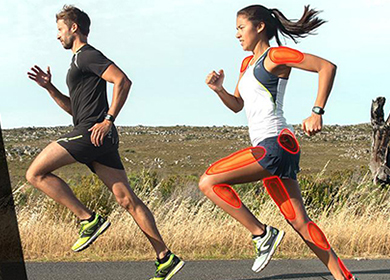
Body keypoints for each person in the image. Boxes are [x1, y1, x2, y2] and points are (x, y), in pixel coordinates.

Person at [26, 5, 184, 280]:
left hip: (93, 132)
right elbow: (74, 110)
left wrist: (108, 118)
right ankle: (165, 257)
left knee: (35, 173)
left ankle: (89, 219)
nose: (57, 36)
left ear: (74, 28)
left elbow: (122, 80)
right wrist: (50, 88)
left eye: (60, 30)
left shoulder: (87, 55)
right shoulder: (77, 63)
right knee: (127, 200)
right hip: (95, 134)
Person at [201, 5, 357, 280]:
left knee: (208, 182)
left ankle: (262, 233)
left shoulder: (275, 56)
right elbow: (238, 105)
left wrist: (317, 111)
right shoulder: (247, 65)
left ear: (259, 26)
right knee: (299, 221)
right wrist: (219, 90)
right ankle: (342, 276)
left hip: (275, 144)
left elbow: (326, 67)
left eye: (240, 27)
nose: (236, 34)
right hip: (273, 147)